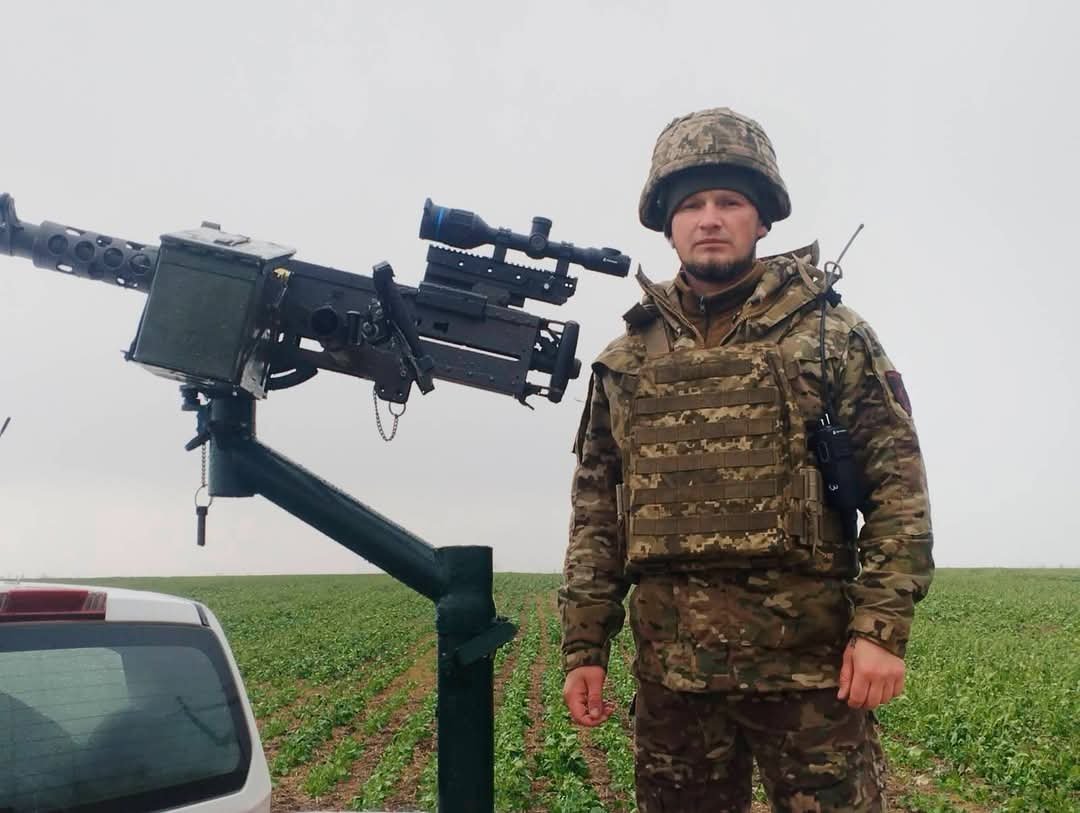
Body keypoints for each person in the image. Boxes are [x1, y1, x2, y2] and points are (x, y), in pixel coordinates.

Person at [558, 107, 934, 812]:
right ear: (667, 224)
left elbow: (898, 493)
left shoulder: (832, 337)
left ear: (761, 218)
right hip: (673, 685)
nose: (709, 219)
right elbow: (598, 518)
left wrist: (881, 630)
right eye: (691, 205)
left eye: (729, 201)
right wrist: (585, 645)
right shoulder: (627, 360)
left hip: (811, 678)